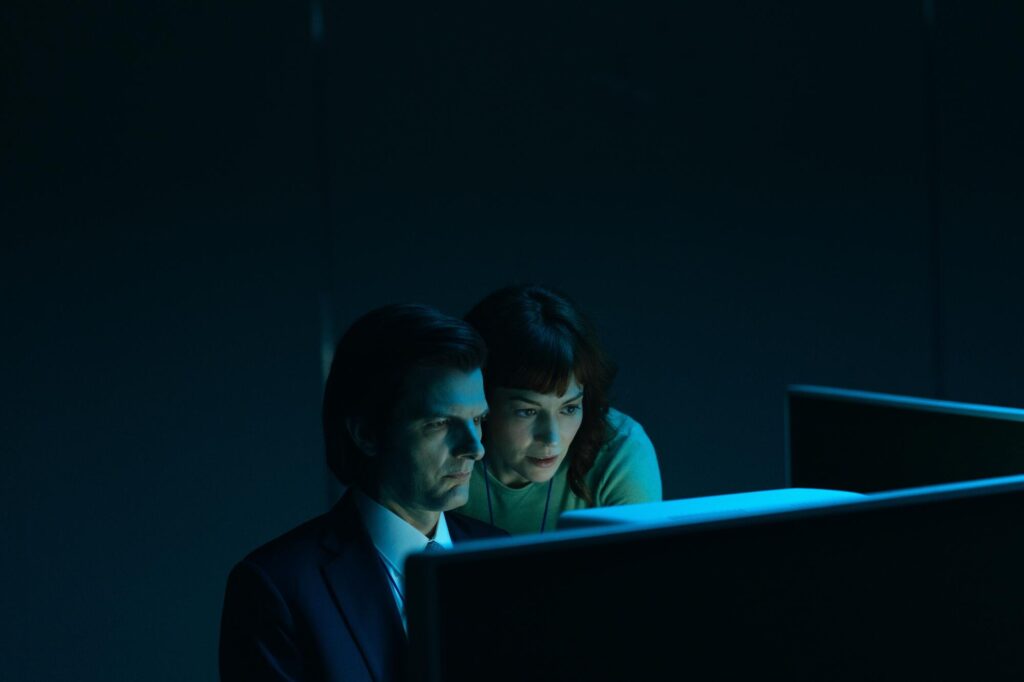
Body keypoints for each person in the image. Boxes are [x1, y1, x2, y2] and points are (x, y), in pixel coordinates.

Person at [219, 304, 505, 681]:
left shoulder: (501, 557)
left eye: (478, 420)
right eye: (439, 423)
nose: (475, 447)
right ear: (366, 433)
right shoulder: (277, 587)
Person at [460, 284, 662, 535]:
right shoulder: (447, 454)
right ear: (482, 402)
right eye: (528, 411)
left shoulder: (619, 452)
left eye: (569, 408)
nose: (551, 438)